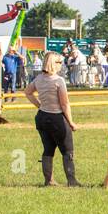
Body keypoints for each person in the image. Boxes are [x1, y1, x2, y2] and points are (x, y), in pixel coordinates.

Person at [23, 52, 79, 187]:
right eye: (60, 62)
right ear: (54, 64)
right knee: (67, 150)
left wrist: (39, 105)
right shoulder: (58, 81)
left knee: (48, 149)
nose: (62, 65)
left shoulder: (39, 79)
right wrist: (71, 122)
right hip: (56, 118)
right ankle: (72, 181)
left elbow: (27, 92)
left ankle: (49, 180)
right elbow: (65, 104)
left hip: (42, 117)